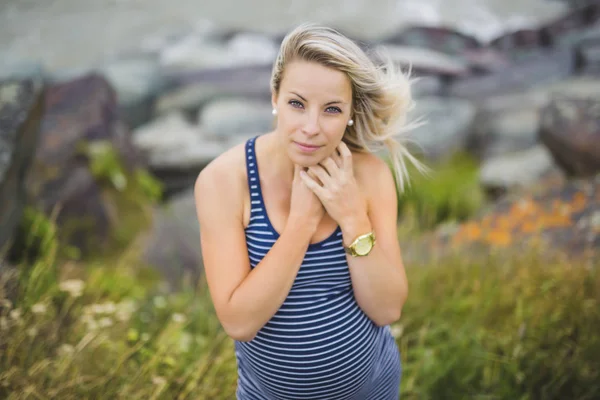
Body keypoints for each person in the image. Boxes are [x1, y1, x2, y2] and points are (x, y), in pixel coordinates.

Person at [194, 22, 424, 400]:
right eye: (297, 104)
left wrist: (352, 218)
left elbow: (387, 309)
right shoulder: (223, 182)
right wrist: (301, 223)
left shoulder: (369, 177)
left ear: (350, 113)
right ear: (275, 97)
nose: (311, 128)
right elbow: (238, 321)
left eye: (332, 110)